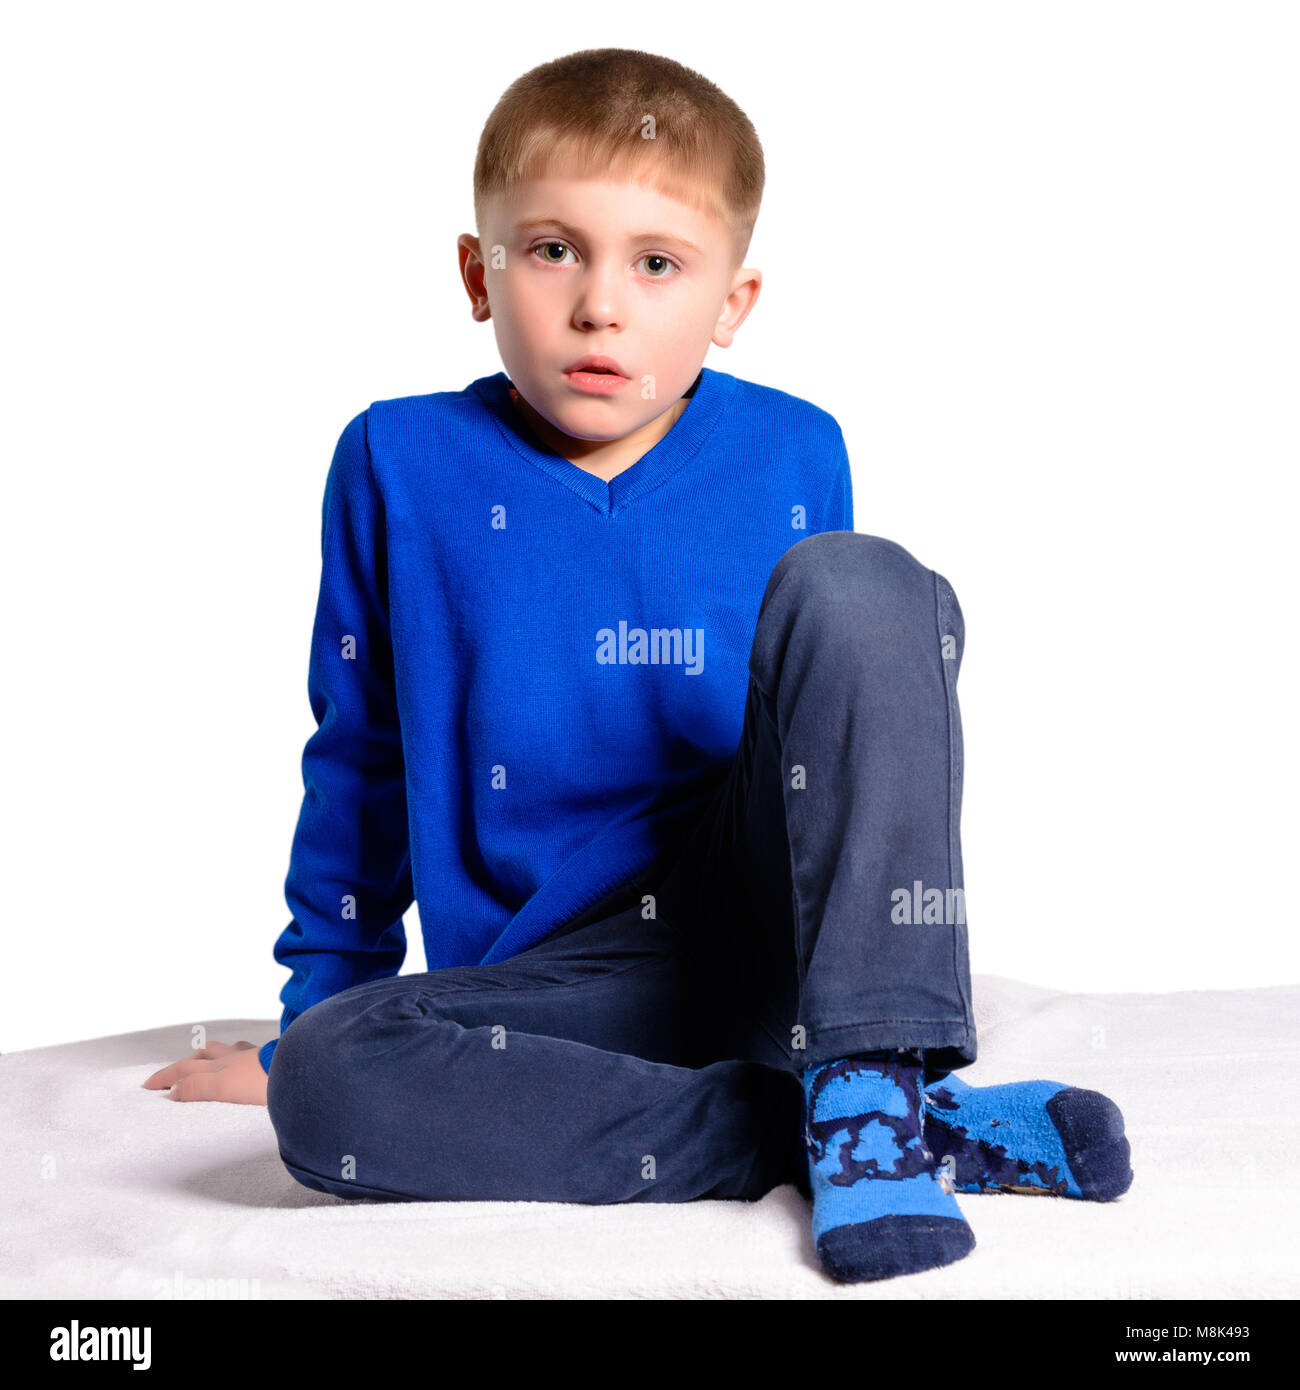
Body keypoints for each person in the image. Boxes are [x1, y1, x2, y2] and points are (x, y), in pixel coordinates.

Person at [144, 46, 1132, 1284]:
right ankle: (851, 1132)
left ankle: (870, 1073)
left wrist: (844, 984)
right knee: (336, 1085)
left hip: (774, 939)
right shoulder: (396, 462)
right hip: (559, 992)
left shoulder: (791, 448)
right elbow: (359, 756)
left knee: (866, 585)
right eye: (554, 250)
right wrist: (309, 1025)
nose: (600, 303)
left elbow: (847, 714)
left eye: (656, 264)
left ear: (731, 301)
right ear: (478, 270)